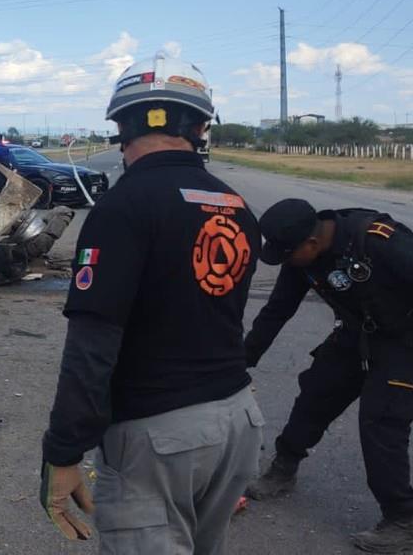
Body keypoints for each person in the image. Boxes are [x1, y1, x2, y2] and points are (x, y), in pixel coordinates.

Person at [41, 52, 263, 553]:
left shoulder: (122, 207)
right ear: (203, 127)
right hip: (237, 423)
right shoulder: (235, 206)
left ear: (121, 127)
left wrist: (62, 451)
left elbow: (92, 346)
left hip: (160, 435)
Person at [244, 198, 413, 552]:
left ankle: (403, 521)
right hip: (357, 333)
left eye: (286, 253)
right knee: (316, 392)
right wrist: (244, 360)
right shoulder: (303, 258)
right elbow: (276, 311)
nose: (284, 261)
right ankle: (283, 469)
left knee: (381, 422)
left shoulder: (376, 240)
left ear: (312, 243)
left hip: (405, 341)